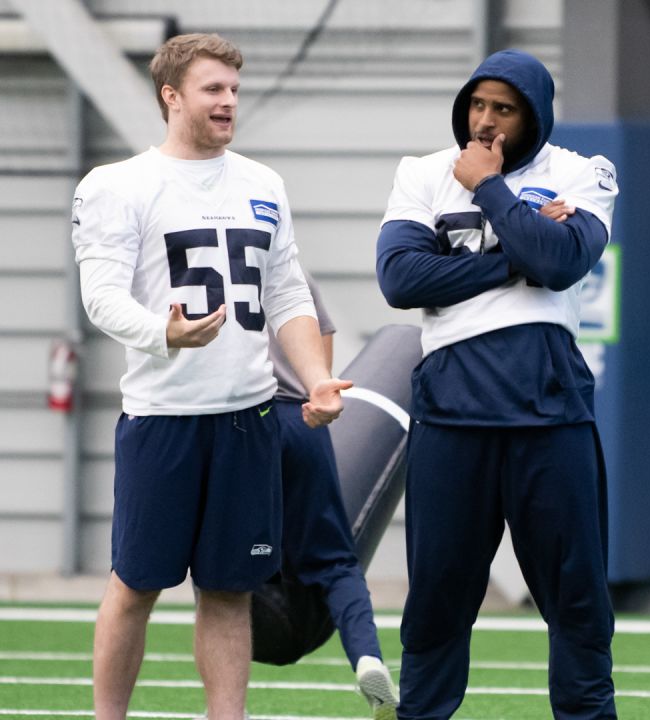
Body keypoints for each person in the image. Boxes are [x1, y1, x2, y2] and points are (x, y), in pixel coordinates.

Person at [72, 33, 351, 720]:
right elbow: (101, 296)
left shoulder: (263, 184)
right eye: (212, 90)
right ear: (171, 96)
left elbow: (288, 297)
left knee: (230, 589)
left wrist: (315, 377)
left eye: (232, 89)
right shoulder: (118, 185)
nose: (228, 103)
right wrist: (161, 332)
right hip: (164, 418)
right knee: (135, 585)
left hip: (249, 419)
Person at [374, 49, 620, 719]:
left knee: (577, 599)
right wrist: (517, 259)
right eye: (477, 106)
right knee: (437, 598)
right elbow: (401, 280)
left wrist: (489, 188)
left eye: (503, 110)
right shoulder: (422, 173)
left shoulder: (582, 171)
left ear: (532, 116)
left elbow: (562, 264)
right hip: (452, 416)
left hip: (551, 415)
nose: (484, 124)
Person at [266, 271, 400, 719]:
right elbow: (320, 362)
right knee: (336, 560)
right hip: (300, 419)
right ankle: (367, 658)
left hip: (241, 426)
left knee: (224, 567)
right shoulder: (292, 273)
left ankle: (224, 704)